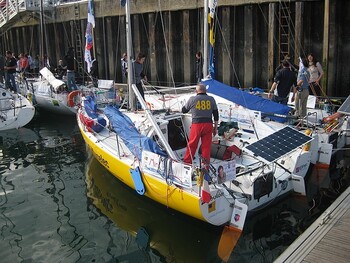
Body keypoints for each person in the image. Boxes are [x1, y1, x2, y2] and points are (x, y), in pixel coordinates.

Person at [182, 84, 219, 166]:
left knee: (192, 144)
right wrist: (215, 128)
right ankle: (205, 166)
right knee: (206, 147)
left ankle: (187, 163)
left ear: (196, 91)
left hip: (197, 125)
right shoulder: (211, 99)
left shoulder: (192, 99)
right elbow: (216, 115)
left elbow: (184, 110)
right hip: (208, 124)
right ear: (206, 91)